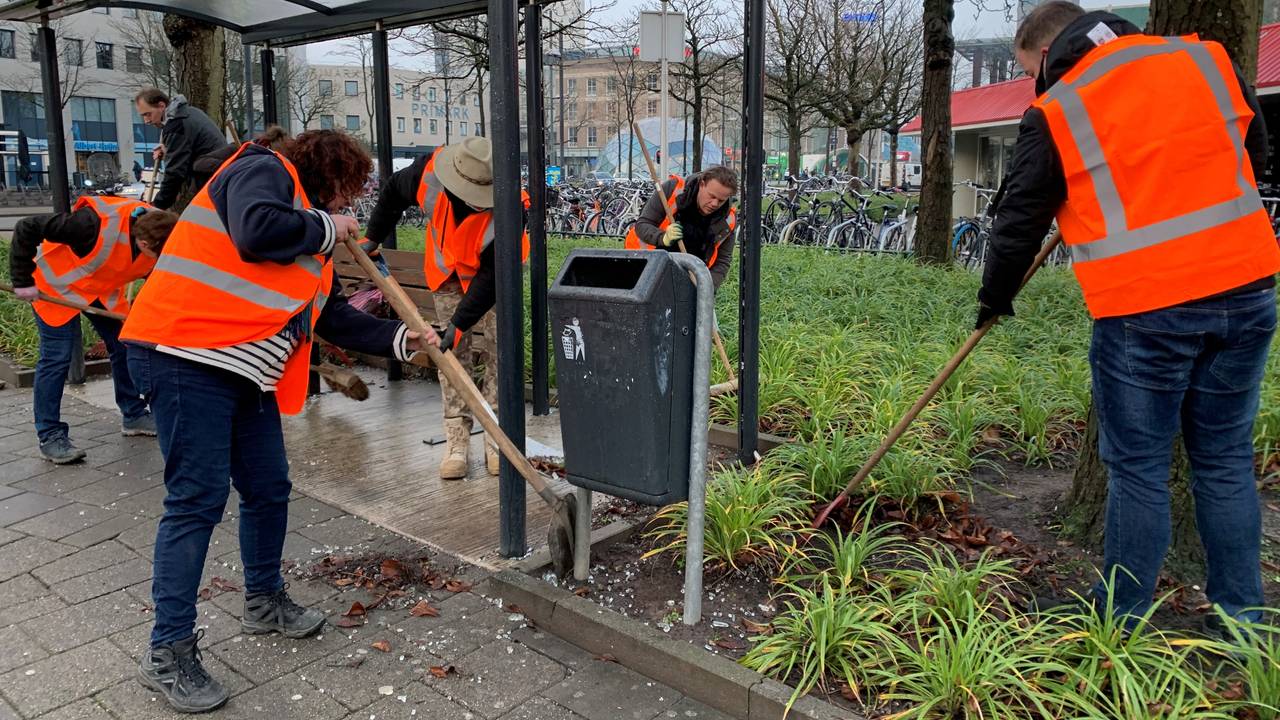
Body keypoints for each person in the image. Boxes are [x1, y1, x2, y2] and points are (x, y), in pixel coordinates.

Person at [978, 2, 1280, 629]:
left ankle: (1122, 616)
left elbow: (1018, 224)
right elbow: (1252, 153)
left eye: (1029, 67)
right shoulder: (1207, 60)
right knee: (1223, 459)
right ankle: (1242, 620)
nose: (1036, 78)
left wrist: (995, 298)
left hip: (1145, 307)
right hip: (1247, 286)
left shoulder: (1058, 109)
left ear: (1044, 51)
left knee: (1138, 467)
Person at [120, 130, 437, 713]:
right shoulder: (263, 171)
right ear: (325, 172)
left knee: (268, 489)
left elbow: (332, 314)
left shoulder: (307, 240)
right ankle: (166, 651)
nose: (350, 206)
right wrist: (326, 226)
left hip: (243, 371)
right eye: (347, 192)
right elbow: (255, 232)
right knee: (195, 500)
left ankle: (264, 601)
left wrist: (404, 338)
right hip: (187, 356)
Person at [362, 137, 529, 481]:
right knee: (452, 358)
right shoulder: (428, 175)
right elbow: (393, 192)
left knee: (500, 353)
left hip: (495, 283)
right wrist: (373, 238)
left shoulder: (514, 205)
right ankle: (457, 442)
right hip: (446, 277)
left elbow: (492, 275)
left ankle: (497, 439)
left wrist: (460, 322)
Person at [8, 197, 178, 463]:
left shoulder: (167, 232)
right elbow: (27, 226)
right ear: (144, 245)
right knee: (57, 358)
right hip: (58, 286)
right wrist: (22, 281)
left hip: (102, 287)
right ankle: (50, 435)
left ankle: (133, 414)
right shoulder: (88, 226)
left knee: (126, 344)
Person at [625, 165, 739, 293]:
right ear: (702, 184)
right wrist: (663, 238)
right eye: (711, 196)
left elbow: (722, 262)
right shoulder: (672, 190)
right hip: (645, 271)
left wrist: (706, 288)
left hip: (688, 281)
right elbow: (643, 224)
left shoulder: (728, 220)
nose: (714, 204)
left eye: (721, 200)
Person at [134, 88, 229, 212]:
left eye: (148, 114)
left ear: (161, 106)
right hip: (221, 177)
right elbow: (193, 150)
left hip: (211, 183)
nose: (146, 121)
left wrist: (156, 207)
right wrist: (169, 151)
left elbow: (175, 173)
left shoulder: (176, 125)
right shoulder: (191, 113)